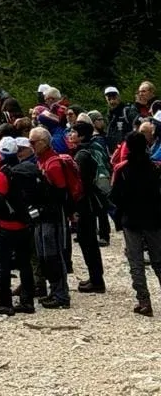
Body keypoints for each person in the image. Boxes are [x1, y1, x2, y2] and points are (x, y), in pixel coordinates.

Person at [0, 136, 42, 317]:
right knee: (25, 263)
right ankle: (27, 300)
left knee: (3, 264)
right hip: (25, 222)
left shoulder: (4, 172)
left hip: (6, 225)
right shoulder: (28, 169)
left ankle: (4, 302)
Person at [111, 131, 161, 316]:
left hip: (131, 220)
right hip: (154, 219)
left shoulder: (122, 169)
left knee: (136, 262)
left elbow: (115, 196)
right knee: (158, 260)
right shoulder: (155, 168)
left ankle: (144, 301)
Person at [29, 126, 75, 308]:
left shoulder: (53, 164)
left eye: (34, 142)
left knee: (54, 255)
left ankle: (61, 295)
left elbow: (61, 192)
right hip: (44, 215)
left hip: (53, 217)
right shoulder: (42, 161)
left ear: (44, 142)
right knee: (45, 255)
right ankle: (54, 291)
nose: (31, 145)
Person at [67, 120, 106, 293]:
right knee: (87, 239)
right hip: (89, 200)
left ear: (81, 135)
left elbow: (78, 182)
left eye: (73, 132)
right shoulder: (88, 150)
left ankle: (97, 280)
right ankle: (95, 277)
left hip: (84, 202)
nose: (70, 135)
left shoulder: (81, 155)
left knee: (87, 240)